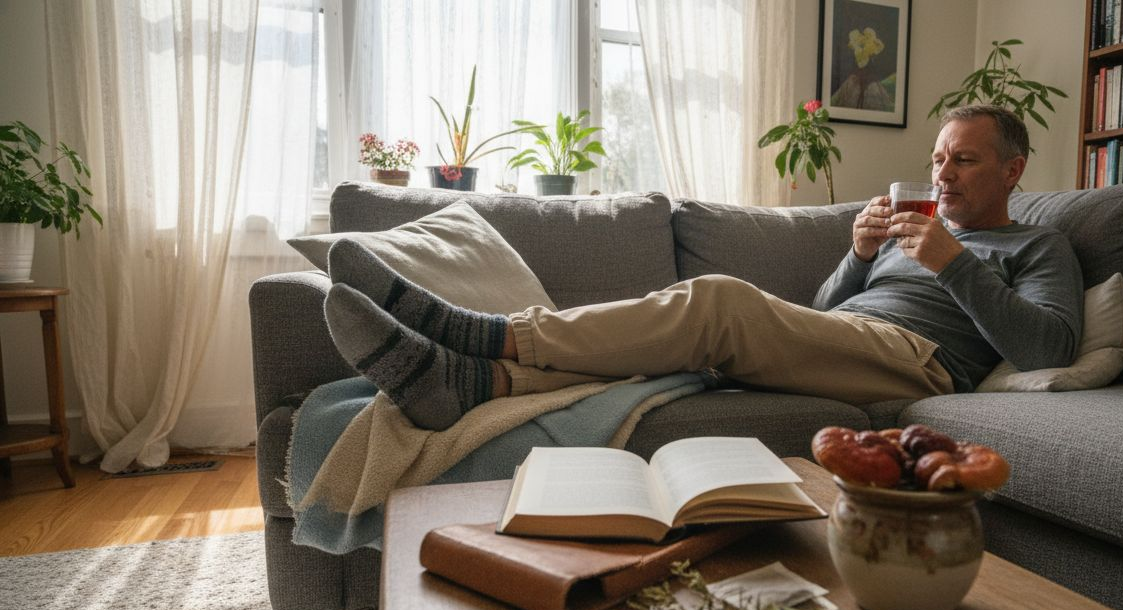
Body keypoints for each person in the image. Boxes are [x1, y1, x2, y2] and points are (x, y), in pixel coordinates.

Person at [322, 104, 1083, 431]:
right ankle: (468, 381)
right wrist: (856, 257)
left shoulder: (1038, 248)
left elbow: (1049, 349)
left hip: (921, 367)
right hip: (844, 341)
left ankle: (482, 334)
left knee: (717, 305)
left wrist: (954, 267)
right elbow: (824, 308)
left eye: (966, 160)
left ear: (1013, 171)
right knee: (660, 352)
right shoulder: (910, 230)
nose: (944, 174)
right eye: (939, 158)